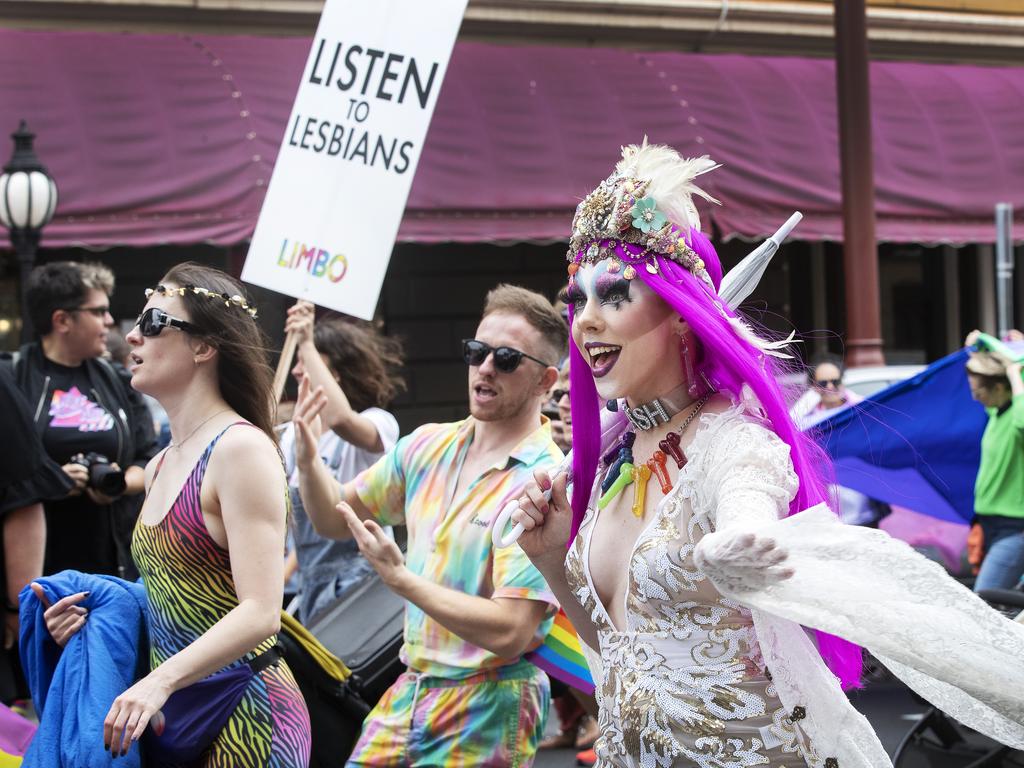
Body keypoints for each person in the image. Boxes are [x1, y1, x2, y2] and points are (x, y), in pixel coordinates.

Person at [509, 142, 1024, 767]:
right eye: (576, 300)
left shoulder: (733, 442)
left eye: (612, 296)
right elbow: (621, 664)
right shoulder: (616, 456)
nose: (585, 321)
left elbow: (747, 500)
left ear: (678, 314)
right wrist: (552, 560)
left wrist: (743, 538)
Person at [33, 263, 311, 764]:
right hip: (178, 713)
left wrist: (158, 682)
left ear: (204, 347)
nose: (132, 336)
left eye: (154, 323)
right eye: (136, 323)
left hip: (247, 713)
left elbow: (262, 612)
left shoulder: (240, 448)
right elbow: (174, 593)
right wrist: (92, 615)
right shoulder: (160, 462)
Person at [292, 284, 566, 766]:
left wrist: (401, 580)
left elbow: (511, 632)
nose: (484, 367)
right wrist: (310, 462)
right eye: (476, 351)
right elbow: (334, 518)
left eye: (505, 358)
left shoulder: (544, 481)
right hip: (411, 689)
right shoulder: (427, 446)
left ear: (545, 382)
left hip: (489, 699)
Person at [2, 261, 158, 580]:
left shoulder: (118, 381)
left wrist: (121, 484)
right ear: (62, 320)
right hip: (38, 573)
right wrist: (51, 480)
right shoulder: (13, 378)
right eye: (99, 312)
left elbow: (152, 460)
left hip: (115, 569)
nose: (110, 321)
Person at [278, 301, 404, 626]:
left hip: (362, 578)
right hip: (312, 584)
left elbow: (340, 418)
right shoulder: (292, 436)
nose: (296, 369)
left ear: (336, 374)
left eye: (306, 361)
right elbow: (307, 526)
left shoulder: (378, 422)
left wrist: (306, 340)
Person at [964, 335, 1024, 592]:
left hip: (1015, 528)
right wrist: (979, 346)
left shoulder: (1016, 418)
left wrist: (1013, 371)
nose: (975, 398)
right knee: (1002, 607)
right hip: (990, 525)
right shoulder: (996, 414)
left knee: (983, 599)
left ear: (999, 388)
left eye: (978, 392)